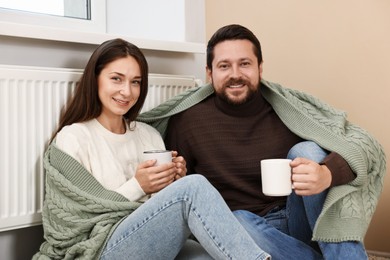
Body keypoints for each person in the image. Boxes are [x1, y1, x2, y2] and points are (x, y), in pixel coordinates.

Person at [137, 24, 387, 259]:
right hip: (243, 231)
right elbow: (185, 194)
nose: (235, 75)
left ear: (260, 68)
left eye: (244, 64)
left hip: (295, 218)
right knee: (238, 219)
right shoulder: (188, 120)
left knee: (307, 150)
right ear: (209, 73)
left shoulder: (288, 109)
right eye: (224, 66)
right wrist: (175, 175)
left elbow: (359, 146)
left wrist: (326, 174)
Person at [33, 38, 271, 260]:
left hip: (146, 239)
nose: (127, 91)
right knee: (194, 187)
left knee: (212, 254)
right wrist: (139, 186)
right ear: (95, 79)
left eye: (135, 82)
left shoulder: (148, 135)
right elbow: (73, 224)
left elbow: (160, 211)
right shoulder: (73, 138)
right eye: (116, 79)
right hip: (99, 249)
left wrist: (172, 182)